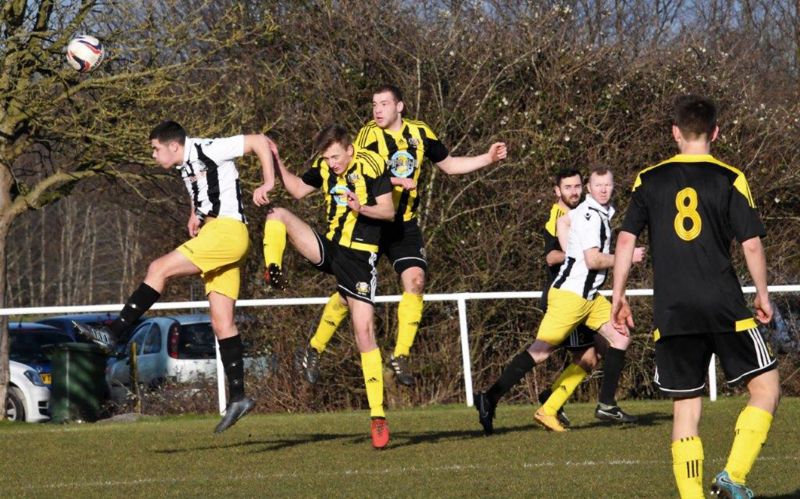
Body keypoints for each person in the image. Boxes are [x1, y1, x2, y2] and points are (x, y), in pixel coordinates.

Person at [611, 95, 779, 498]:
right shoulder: (729, 178)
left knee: (686, 408)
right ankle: (733, 476)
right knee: (766, 388)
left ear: (674, 133)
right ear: (715, 132)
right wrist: (762, 295)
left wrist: (618, 295)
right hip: (722, 304)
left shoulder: (648, 180)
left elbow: (626, 239)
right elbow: (751, 245)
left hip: (672, 311)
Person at [291, 84, 507, 387]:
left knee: (416, 280)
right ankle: (313, 349)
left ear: (400, 106)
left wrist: (488, 158)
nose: (377, 110)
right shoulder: (366, 135)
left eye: (384, 104)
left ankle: (401, 355)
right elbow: (362, 172)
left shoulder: (420, 134)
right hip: (370, 224)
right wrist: (394, 180)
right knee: (347, 295)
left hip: (404, 224)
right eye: (374, 104)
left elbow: (450, 165)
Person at [75, 120, 276, 434]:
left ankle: (114, 332)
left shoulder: (209, 148)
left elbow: (260, 141)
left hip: (228, 233)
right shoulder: (185, 166)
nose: (154, 155)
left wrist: (267, 182)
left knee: (158, 269)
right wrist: (195, 212)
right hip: (217, 233)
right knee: (222, 323)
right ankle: (238, 397)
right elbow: (207, 188)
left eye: (156, 149)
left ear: (173, 145)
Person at [475, 165, 644, 434]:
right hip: (569, 297)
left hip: (589, 297)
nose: (602, 189)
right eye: (597, 185)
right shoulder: (590, 216)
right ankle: (492, 396)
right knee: (540, 352)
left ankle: (605, 404)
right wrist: (627, 257)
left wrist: (570, 243)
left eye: (607, 185)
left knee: (620, 337)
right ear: (591, 188)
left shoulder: (591, 212)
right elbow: (592, 260)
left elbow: (565, 222)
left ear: (613, 187)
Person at [261, 124, 395, 449]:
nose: (332, 163)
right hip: (330, 247)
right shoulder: (325, 167)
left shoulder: (372, 165)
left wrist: (360, 207)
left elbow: (389, 211)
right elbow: (295, 190)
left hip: (360, 257)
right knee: (277, 213)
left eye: (336, 156)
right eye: (328, 158)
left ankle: (377, 416)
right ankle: (273, 270)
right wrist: (277, 160)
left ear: (349, 149)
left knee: (363, 332)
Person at [534, 168, 601, 429]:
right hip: (566, 297)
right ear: (557, 190)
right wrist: (584, 253)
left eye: (577, 186)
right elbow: (551, 256)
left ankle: (551, 399)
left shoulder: (583, 212)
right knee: (587, 356)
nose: (574, 191)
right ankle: (549, 403)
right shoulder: (558, 216)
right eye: (568, 187)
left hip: (582, 295)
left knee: (600, 349)